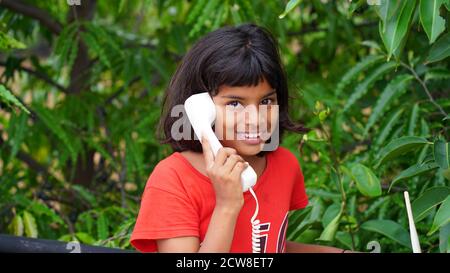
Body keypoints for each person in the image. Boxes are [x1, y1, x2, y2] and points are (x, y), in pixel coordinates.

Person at [130, 23, 350, 253]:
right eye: (235, 103)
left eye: (266, 101)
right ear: (200, 107)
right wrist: (227, 205)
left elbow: (268, 247)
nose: (255, 120)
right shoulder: (173, 180)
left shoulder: (284, 165)